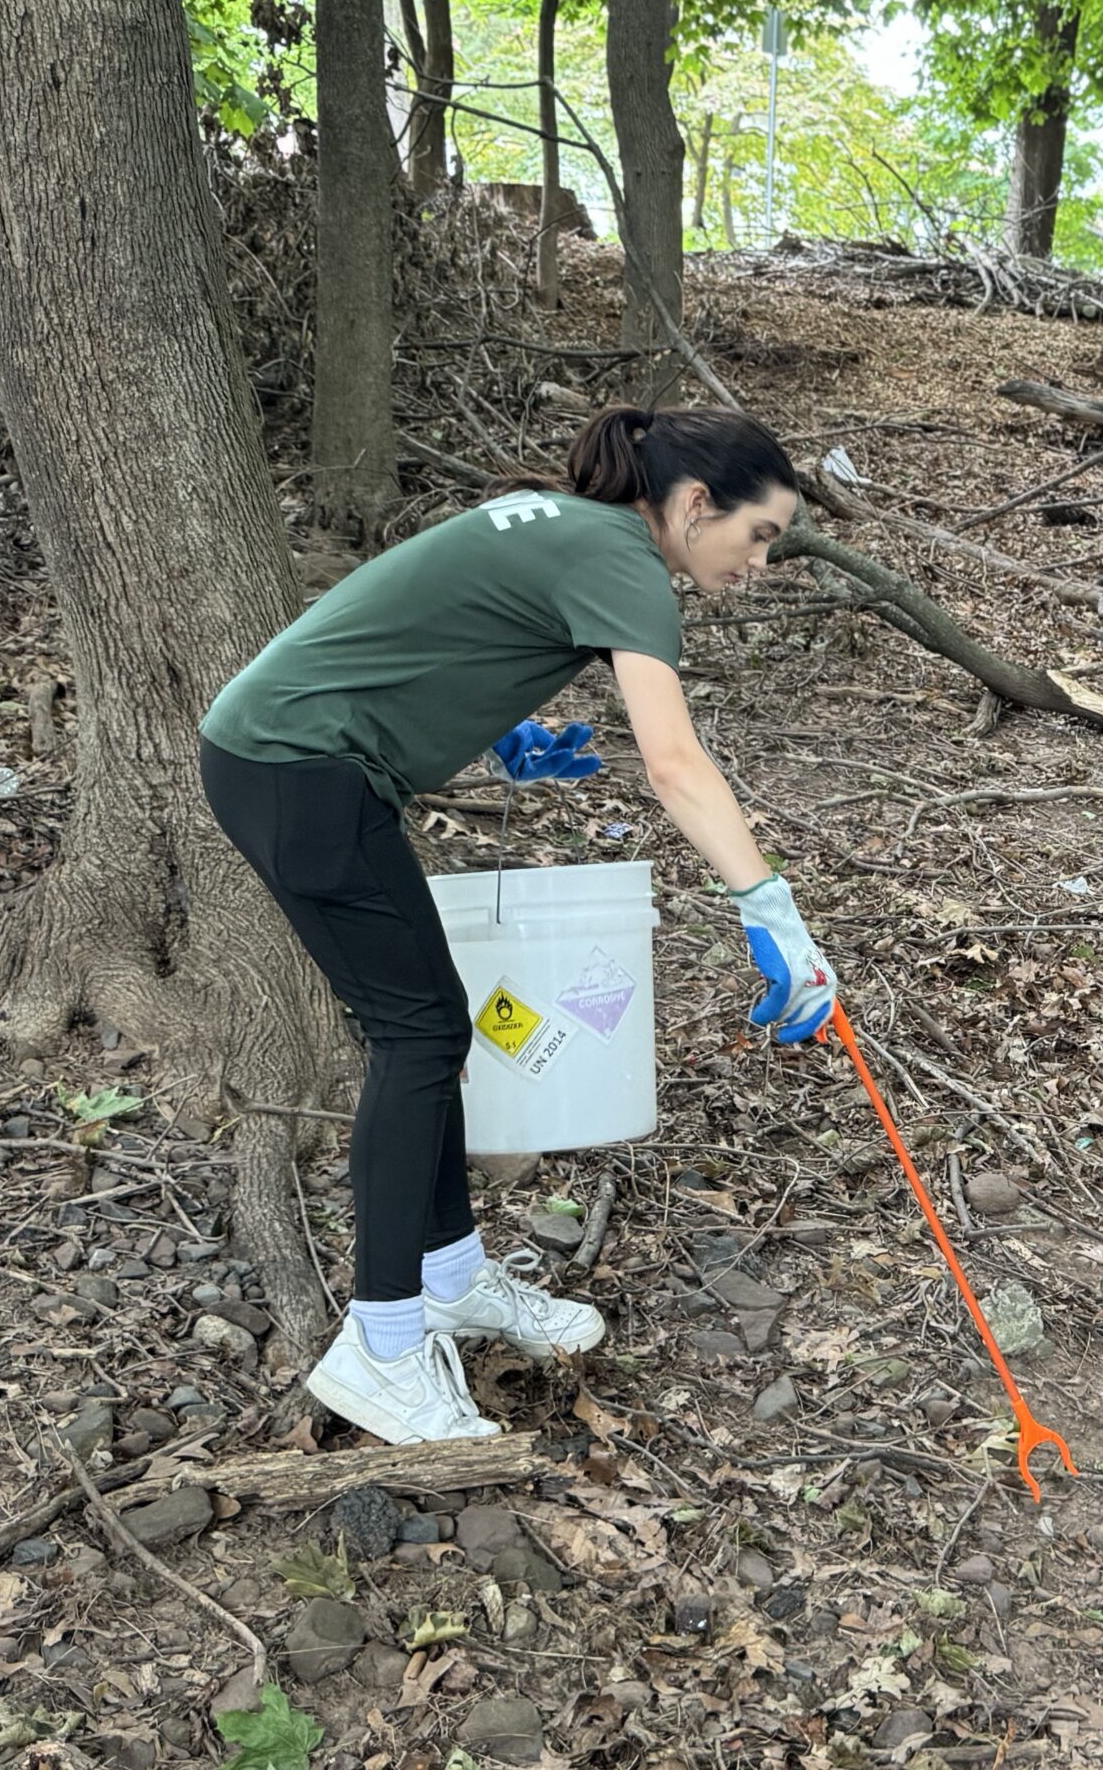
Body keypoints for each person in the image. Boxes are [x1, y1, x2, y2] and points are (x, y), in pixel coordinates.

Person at [198, 406, 836, 1445]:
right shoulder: (623, 556)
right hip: (301, 770)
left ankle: (448, 1279)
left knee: (430, 1028)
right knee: (417, 1040)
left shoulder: (551, 522)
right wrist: (769, 911)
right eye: (758, 534)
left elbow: (435, 624)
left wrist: (509, 732)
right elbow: (674, 766)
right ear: (690, 505)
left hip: (283, 757)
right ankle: (384, 1347)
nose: (761, 561)